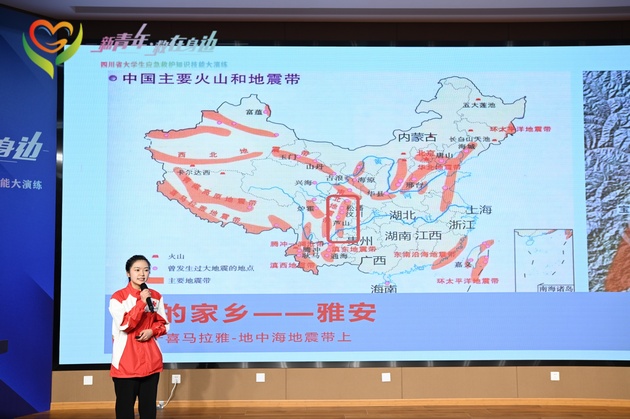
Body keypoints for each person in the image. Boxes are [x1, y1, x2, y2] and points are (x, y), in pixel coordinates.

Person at [109, 255, 169, 419]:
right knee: (125, 409)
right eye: (137, 270)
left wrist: (152, 331)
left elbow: (164, 324)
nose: (142, 274)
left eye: (146, 270)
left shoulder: (156, 296)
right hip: (126, 363)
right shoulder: (118, 298)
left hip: (151, 361)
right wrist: (142, 302)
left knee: (149, 410)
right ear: (128, 273)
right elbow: (125, 325)